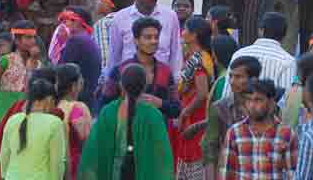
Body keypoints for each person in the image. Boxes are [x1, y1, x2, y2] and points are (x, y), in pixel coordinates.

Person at [78, 63, 174, 180]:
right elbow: (162, 159)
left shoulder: (108, 112)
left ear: (121, 86)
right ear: (144, 86)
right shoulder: (153, 115)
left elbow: (93, 153)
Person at [100, 16, 181, 123]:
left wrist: (160, 103)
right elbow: (104, 106)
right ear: (136, 41)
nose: (153, 41)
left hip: (156, 133)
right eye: (148, 37)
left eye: (156, 37)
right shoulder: (120, 70)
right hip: (126, 134)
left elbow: (176, 109)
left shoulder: (165, 71)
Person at [218, 78, 298, 180]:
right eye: (248, 100)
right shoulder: (235, 132)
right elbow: (226, 173)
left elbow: (293, 174)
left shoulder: (286, 134)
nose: (252, 105)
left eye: (258, 100)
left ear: (271, 103)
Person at [107, 0, 182, 75]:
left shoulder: (170, 17)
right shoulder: (120, 18)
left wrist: (175, 79)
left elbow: (176, 53)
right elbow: (114, 55)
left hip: (161, 83)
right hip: (129, 83)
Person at [201, 56, 260, 180]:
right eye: (231, 76)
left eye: (238, 77)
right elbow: (210, 149)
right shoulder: (219, 108)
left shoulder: (266, 109)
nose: (232, 81)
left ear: (253, 80)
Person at [177, 16, 215, 180]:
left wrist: (185, 112)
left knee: (193, 155)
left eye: (185, 29)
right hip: (192, 111)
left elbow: (201, 94)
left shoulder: (199, 60)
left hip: (195, 114)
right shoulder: (197, 56)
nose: (182, 32)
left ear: (194, 35)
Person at [224, 12, 295, 96]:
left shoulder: (239, 54)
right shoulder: (288, 61)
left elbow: (227, 94)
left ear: (261, 30)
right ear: (284, 36)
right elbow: (285, 100)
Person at [57, 7, 102, 108]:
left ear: (77, 22)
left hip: (78, 101)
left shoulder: (76, 40)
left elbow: (61, 71)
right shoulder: (86, 39)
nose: (64, 24)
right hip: (88, 99)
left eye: (67, 20)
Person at [93, 0, 126, 76]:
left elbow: (105, 57)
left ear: (109, 3)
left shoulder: (103, 23)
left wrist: (105, 79)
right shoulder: (126, 18)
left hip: (112, 77)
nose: (96, 3)